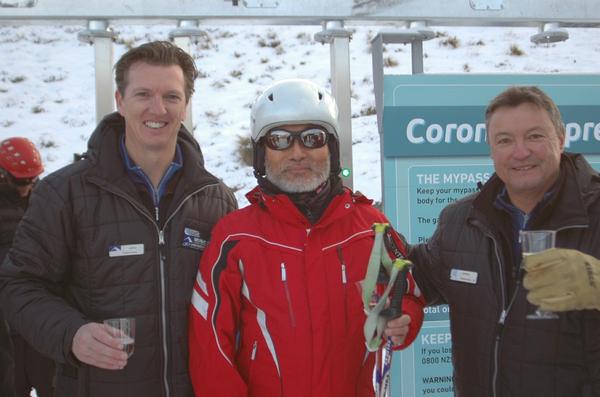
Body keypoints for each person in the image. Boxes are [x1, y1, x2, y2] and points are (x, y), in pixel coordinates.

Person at [0, 41, 237, 396]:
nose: (158, 108)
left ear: (186, 105)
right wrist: (72, 333)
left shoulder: (214, 199)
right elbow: (18, 286)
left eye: (171, 96)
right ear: (120, 100)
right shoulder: (64, 192)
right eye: (143, 94)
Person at [188, 79, 424, 396]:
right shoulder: (235, 237)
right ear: (261, 154)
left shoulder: (370, 228)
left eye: (312, 138)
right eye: (280, 140)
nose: (298, 153)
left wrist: (404, 319)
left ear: (331, 148)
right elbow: (209, 343)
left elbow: (408, 296)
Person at [409, 85, 600, 397]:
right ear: (491, 150)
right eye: (505, 140)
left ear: (561, 138)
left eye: (535, 136)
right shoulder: (460, 221)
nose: (520, 151)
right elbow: (415, 272)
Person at [0, 137, 54, 397]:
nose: (27, 187)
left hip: (39, 321)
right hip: (5, 328)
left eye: (32, 180)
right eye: (21, 181)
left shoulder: (46, 200)